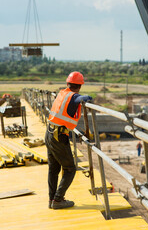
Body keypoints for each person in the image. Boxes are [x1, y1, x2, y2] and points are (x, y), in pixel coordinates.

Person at [45, 71, 92, 209]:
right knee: (70, 168)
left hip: (49, 133)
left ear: (67, 83)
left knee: (53, 169)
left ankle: (52, 199)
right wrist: (87, 97)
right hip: (58, 137)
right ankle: (58, 200)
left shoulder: (62, 93)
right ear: (80, 86)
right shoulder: (73, 96)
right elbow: (78, 99)